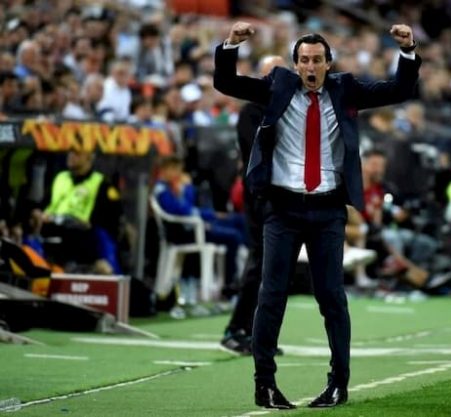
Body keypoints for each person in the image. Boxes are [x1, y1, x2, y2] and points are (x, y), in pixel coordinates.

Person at [213, 21, 421, 409]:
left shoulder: (346, 89)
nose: (311, 67)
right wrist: (230, 45)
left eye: (318, 60)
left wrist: (407, 51)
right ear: (295, 65)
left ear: (329, 63)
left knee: (332, 298)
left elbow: (400, 89)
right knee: (271, 295)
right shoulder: (276, 86)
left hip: (327, 209)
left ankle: (338, 384)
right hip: (283, 208)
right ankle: (265, 385)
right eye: (304, 60)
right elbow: (226, 83)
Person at [221, 55, 287, 355]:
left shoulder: (283, 108)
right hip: (259, 197)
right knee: (260, 263)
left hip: (280, 195)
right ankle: (235, 329)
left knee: (273, 267)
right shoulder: (251, 112)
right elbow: (258, 151)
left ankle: (257, 333)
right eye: (270, 74)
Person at [152, 155, 247, 298]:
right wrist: (188, 188)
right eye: (175, 169)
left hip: (193, 226)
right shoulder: (162, 189)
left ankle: (245, 263)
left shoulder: (173, 186)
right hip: (184, 233)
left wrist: (212, 215)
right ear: (166, 170)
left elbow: (189, 208)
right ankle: (230, 285)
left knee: (238, 220)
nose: (179, 173)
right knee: (233, 237)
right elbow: (182, 210)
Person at [37, 150, 123, 274]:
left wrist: (90, 223)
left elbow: (111, 218)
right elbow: (44, 205)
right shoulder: (60, 177)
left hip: (82, 238)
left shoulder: (101, 183)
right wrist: (41, 214)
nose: (71, 156)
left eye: (77, 153)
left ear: (89, 157)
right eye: (70, 153)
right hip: (51, 232)